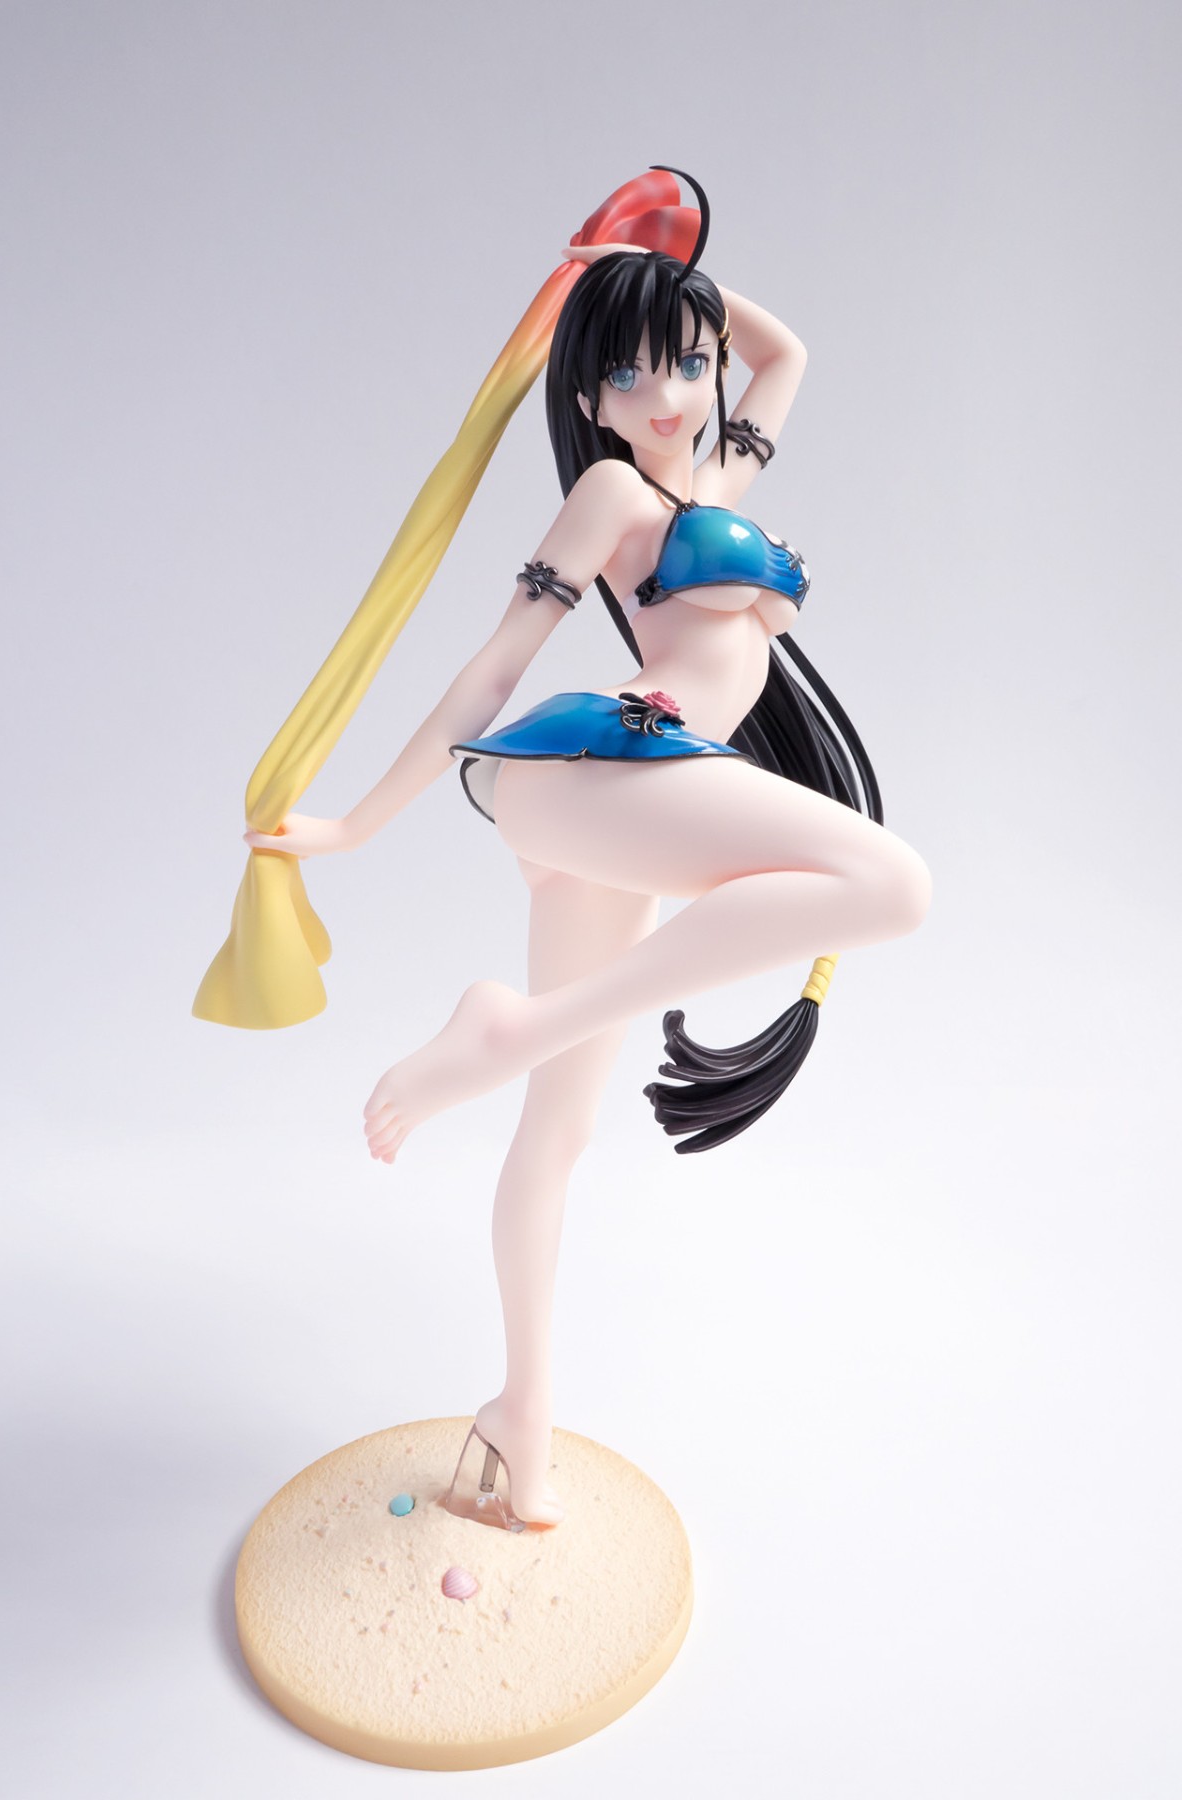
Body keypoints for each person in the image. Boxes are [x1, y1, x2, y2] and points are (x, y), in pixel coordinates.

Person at [231, 170, 931, 1529]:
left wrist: (648, 270)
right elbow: (495, 667)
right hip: (599, 775)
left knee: (557, 1134)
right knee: (891, 883)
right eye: (627, 372)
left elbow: (787, 354)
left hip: (639, 805)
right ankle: (510, 1029)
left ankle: (523, 1417)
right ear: (590, 399)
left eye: (686, 363)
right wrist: (361, 822)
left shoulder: (717, 476)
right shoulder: (610, 494)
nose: (668, 395)